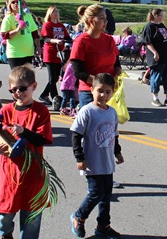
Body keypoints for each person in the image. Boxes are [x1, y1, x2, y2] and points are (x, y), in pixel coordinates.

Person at [0, 64, 53, 239]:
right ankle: (6, 234)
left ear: (33, 86)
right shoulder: (6, 110)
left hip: (32, 172)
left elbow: (42, 139)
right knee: (3, 216)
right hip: (10, 172)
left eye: (23, 88)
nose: (18, 93)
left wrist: (24, 132)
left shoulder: (40, 111)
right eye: (13, 90)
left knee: (31, 218)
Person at [70, 73, 124, 239]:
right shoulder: (87, 111)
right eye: (100, 91)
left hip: (107, 162)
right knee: (95, 193)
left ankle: (103, 225)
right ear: (91, 90)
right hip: (92, 162)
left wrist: (117, 152)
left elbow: (114, 136)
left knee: (106, 196)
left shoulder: (112, 113)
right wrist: (79, 157)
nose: (103, 95)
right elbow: (76, 135)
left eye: (108, 92)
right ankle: (79, 216)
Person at [70, 4, 121, 109]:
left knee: (108, 124)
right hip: (90, 92)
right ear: (91, 21)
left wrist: (118, 73)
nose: (106, 22)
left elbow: (116, 62)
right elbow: (78, 72)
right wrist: (100, 84)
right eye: (102, 18)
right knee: (91, 124)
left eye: (106, 19)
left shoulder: (109, 39)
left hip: (109, 92)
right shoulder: (81, 41)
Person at [141, 8, 167, 107]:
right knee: (156, 77)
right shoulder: (149, 26)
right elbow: (147, 42)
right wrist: (155, 52)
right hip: (157, 58)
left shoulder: (161, 26)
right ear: (157, 16)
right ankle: (155, 98)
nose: (163, 17)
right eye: (162, 15)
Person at [39, 6, 71, 106]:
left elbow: (67, 37)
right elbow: (46, 39)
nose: (56, 13)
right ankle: (55, 97)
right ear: (49, 14)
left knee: (56, 77)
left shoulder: (61, 26)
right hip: (50, 53)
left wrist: (69, 43)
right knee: (52, 77)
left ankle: (44, 95)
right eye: (54, 12)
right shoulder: (47, 25)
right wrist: (56, 41)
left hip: (59, 54)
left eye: (57, 11)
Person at [0, 0, 42, 69]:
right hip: (15, 53)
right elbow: (4, 36)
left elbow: (35, 34)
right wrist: (17, 29)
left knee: (27, 77)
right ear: (9, 4)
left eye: (19, 2)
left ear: (23, 4)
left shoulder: (28, 16)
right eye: (13, 2)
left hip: (28, 52)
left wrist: (38, 47)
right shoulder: (8, 18)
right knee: (17, 77)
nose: (16, 4)